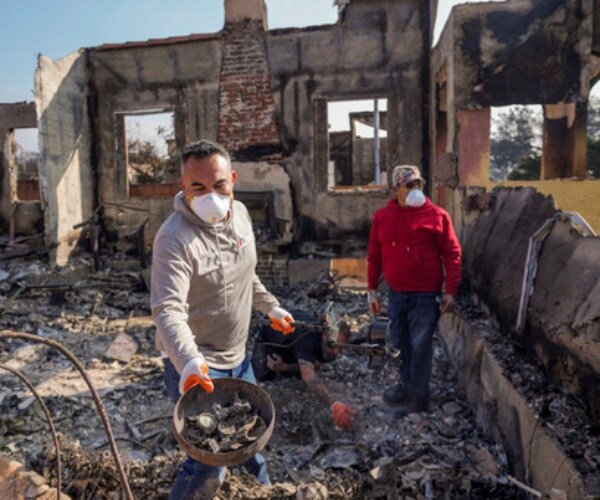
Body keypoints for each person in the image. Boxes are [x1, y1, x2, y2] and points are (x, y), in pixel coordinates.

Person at [150, 139, 295, 500]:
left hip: (238, 357)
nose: (210, 197)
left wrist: (270, 307)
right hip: (198, 365)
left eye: (218, 185)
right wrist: (188, 361)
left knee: (249, 438)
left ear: (232, 180)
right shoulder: (173, 239)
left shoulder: (240, 215)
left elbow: (245, 272)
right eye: (198, 187)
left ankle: (262, 494)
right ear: (182, 186)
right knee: (209, 461)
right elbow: (168, 309)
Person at [367, 165, 462, 417]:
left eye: (418, 184)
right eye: (409, 185)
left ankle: (419, 398)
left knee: (420, 345)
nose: (415, 190)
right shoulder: (383, 218)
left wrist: (450, 291)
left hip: (425, 294)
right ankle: (405, 386)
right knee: (400, 343)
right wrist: (372, 289)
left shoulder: (437, 216)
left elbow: (452, 254)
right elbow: (375, 255)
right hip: (397, 293)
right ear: (395, 189)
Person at [251, 308, 356, 430]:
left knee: (298, 372)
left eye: (340, 348)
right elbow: (308, 376)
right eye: (333, 346)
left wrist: (284, 367)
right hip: (267, 335)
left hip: (293, 340)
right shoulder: (307, 339)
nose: (336, 352)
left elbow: (315, 365)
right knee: (263, 377)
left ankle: (286, 361)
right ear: (323, 335)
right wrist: (334, 404)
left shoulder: (329, 346)